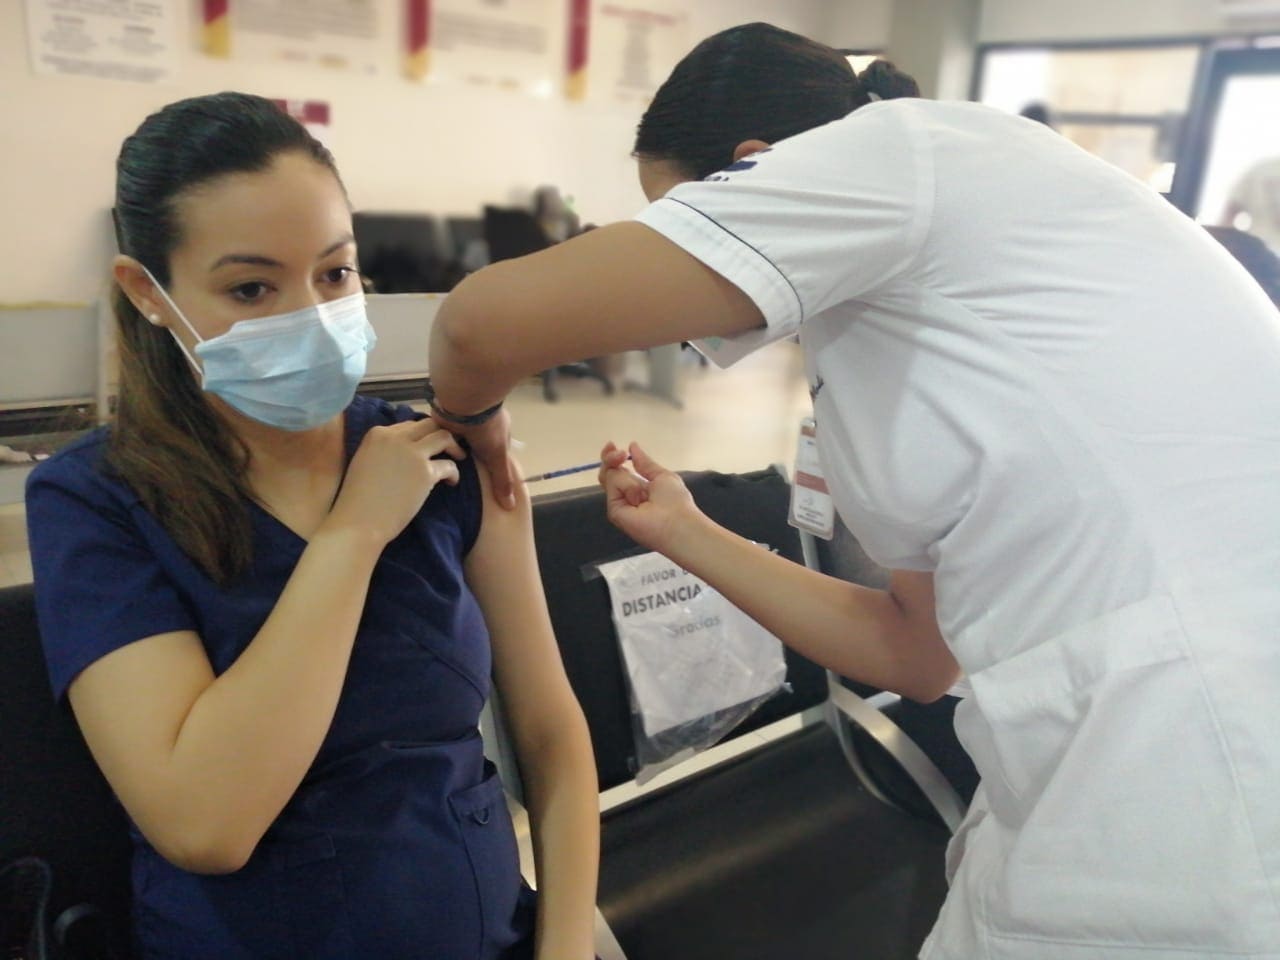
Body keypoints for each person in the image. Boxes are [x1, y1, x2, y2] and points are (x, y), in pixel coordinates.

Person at [425, 22, 1280, 959]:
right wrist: (684, 531)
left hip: (1193, 767)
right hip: (1081, 763)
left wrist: (471, 427)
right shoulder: (902, 308)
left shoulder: (908, 150)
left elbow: (478, 326)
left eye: (689, 217)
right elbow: (917, 654)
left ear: (759, 170)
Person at [24, 92, 599, 960]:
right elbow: (204, 822)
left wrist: (562, 946)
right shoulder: (95, 499)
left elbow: (553, 735)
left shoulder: (444, 454)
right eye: (252, 287)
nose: (313, 315)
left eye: (335, 273)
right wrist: (351, 536)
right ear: (148, 293)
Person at [1223, 155, 1280, 253]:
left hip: (1251, 252)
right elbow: (1231, 211)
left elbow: (1230, 213)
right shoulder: (1263, 169)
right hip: (1252, 252)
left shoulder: (1262, 168)